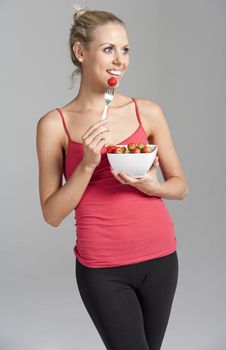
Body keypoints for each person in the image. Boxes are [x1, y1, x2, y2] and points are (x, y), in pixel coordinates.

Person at [36, 6, 189, 350]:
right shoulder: (53, 125)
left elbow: (180, 184)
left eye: (125, 50)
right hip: (103, 268)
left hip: (161, 259)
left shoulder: (146, 111)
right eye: (108, 49)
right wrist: (88, 164)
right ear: (80, 52)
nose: (120, 60)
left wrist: (156, 187)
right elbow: (52, 214)